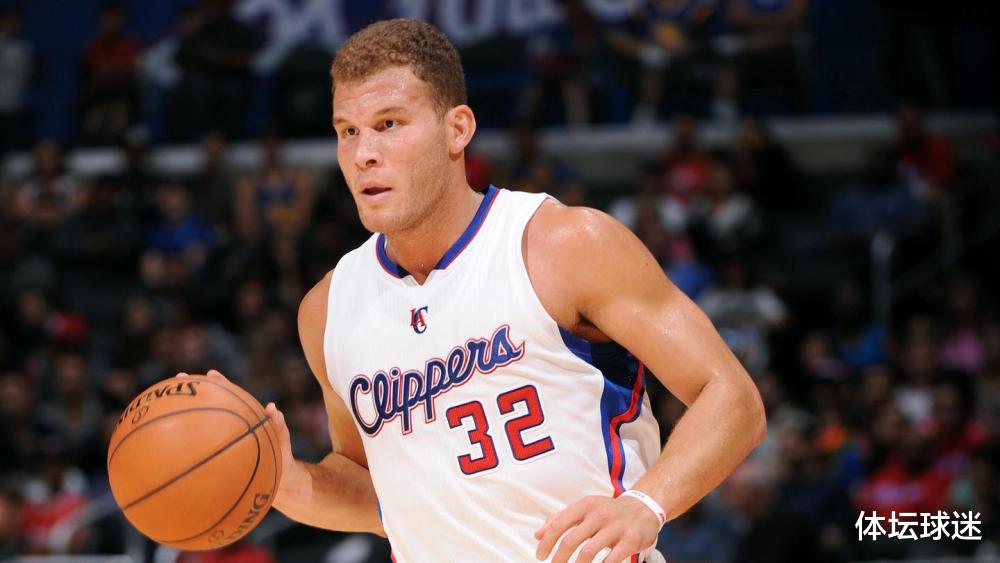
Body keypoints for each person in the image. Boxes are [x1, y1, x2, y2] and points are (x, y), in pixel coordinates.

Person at [197, 18, 765, 563]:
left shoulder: (563, 245)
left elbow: (732, 398)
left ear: (458, 128)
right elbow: (375, 494)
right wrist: (281, 478)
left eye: (389, 124)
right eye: (348, 131)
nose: (364, 152)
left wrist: (646, 505)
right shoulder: (328, 309)